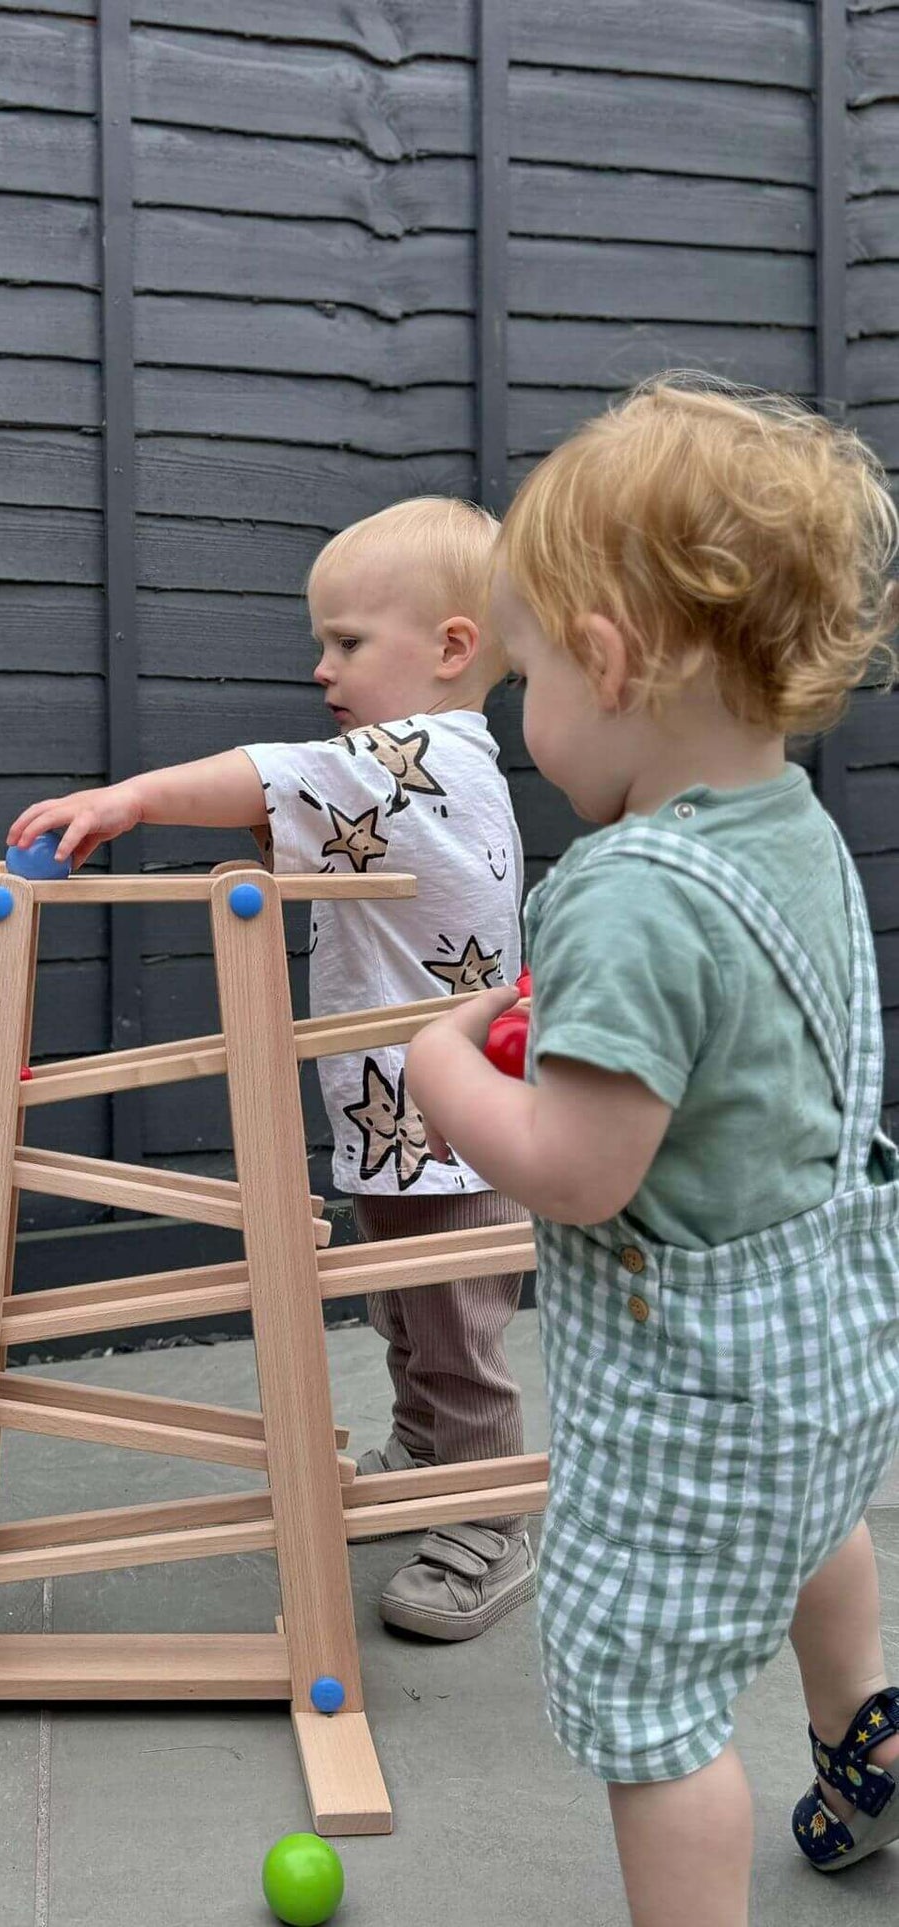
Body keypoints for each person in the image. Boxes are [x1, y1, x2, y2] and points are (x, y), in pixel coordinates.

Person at [406, 377, 899, 1923]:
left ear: (607, 662)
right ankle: (862, 1738)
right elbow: (726, 1046)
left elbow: (573, 1168)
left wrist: (437, 1068)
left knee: (656, 1708)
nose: (522, 717)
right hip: (829, 1350)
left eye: (527, 676)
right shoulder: (790, 825)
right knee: (821, 1529)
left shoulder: (622, 889)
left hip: (696, 1395)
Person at [11, 497, 534, 1641]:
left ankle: (490, 1512)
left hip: (444, 1119)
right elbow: (295, 809)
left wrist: (132, 798)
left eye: (347, 642)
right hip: (397, 1109)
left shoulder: (422, 758)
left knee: (454, 1321)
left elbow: (272, 778)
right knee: (409, 1308)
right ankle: (425, 1450)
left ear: (452, 648)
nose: (321, 666)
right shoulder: (393, 777)